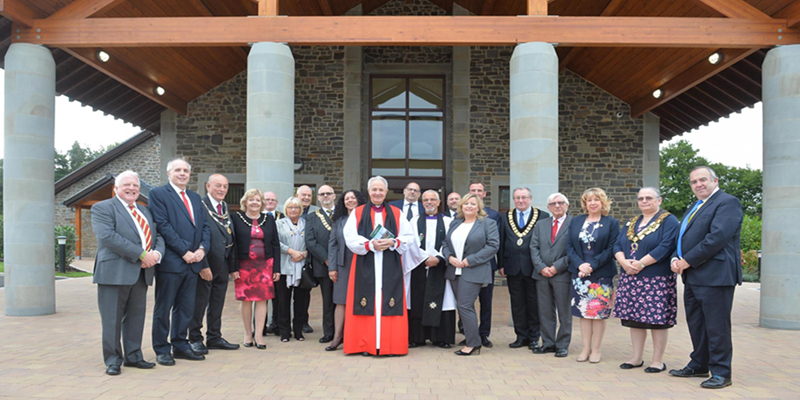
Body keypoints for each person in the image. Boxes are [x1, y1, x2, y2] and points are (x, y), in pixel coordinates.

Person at [669, 166, 743, 389]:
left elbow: (717, 237)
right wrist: (675, 257)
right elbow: (681, 236)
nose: (698, 184)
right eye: (694, 182)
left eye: (703, 180)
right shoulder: (695, 206)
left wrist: (687, 260)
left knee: (716, 325)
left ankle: (721, 372)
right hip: (693, 275)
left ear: (715, 180)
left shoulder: (727, 202)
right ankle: (699, 363)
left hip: (716, 275)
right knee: (697, 323)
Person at [91, 171, 164, 375]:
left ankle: (133, 356)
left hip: (141, 273)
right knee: (112, 319)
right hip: (114, 272)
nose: (132, 189)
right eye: (127, 185)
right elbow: (108, 237)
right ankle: (113, 360)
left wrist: (156, 254)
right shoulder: (103, 208)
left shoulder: (144, 211)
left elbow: (157, 235)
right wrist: (142, 255)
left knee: (135, 317)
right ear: (116, 188)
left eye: (135, 186)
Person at [343, 176, 422, 356]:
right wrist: (370, 245)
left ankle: (389, 345)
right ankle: (365, 344)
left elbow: (409, 237)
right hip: (365, 263)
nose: (377, 193)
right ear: (368, 191)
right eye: (374, 189)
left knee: (388, 301)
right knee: (366, 302)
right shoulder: (357, 212)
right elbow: (349, 237)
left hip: (390, 264)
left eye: (381, 190)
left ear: (386, 192)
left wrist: (393, 242)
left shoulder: (396, 213)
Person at [148, 158, 210, 365]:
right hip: (172, 263)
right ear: (169, 173)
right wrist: (184, 251)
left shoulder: (195, 197)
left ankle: (181, 345)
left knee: (185, 308)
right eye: (178, 170)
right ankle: (161, 348)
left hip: (193, 263)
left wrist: (201, 249)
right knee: (164, 308)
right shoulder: (158, 195)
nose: (182, 173)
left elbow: (205, 227)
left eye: (185, 171)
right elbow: (163, 226)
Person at [613, 187, 680, 373]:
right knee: (634, 319)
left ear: (659, 200)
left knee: (656, 320)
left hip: (655, 278)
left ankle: (658, 360)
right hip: (631, 277)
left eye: (649, 198)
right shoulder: (631, 222)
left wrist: (640, 264)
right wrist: (623, 262)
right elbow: (617, 244)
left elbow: (666, 246)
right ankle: (636, 357)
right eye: (641, 198)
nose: (644, 201)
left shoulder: (669, 220)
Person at [565, 187, 619, 364]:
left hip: (601, 273)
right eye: (589, 200)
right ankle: (585, 348)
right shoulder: (576, 221)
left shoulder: (611, 223)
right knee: (583, 312)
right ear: (585, 203)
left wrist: (591, 266)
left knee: (598, 313)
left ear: (603, 202)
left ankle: (596, 349)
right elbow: (569, 247)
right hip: (579, 273)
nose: (593, 203)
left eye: (597, 199)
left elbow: (611, 248)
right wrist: (580, 264)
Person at [442, 193, 500, 356]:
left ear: (478, 207)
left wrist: (471, 260)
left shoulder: (488, 223)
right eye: (466, 204)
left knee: (465, 306)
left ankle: (473, 343)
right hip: (455, 270)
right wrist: (450, 257)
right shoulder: (456, 223)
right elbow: (445, 243)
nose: (469, 206)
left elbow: (493, 246)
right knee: (464, 307)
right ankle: (472, 339)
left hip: (474, 270)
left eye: (473, 204)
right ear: (461, 206)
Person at [189, 174, 239, 354]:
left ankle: (214, 337)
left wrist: (233, 267)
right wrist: (203, 265)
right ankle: (194, 338)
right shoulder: (200, 206)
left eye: (225, 186)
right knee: (199, 304)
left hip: (222, 265)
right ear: (208, 186)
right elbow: (196, 237)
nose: (222, 190)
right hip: (206, 264)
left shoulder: (224, 206)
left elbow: (230, 236)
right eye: (218, 186)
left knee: (217, 304)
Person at [498, 187, 548, 349]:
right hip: (512, 266)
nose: (520, 200)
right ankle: (521, 336)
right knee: (517, 303)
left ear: (530, 199)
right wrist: (501, 264)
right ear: (513, 200)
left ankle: (534, 337)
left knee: (533, 303)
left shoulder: (542, 216)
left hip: (534, 267)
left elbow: (544, 244)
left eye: (524, 197)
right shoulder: (506, 217)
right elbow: (502, 242)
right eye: (517, 198)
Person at [229, 188, 280, 349]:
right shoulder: (236, 218)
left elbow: (275, 245)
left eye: (258, 200)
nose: (254, 203)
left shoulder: (269, 219)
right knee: (246, 301)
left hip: (265, 266)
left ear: (262, 203)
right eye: (251, 200)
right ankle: (247, 333)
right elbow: (233, 244)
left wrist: (276, 268)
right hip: (244, 266)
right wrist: (233, 267)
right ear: (245, 202)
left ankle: (259, 335)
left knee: (262, 300)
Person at [407, 190, 456, 349]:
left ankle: (441, 337)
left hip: (441, 266)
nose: (429, 202)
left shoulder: (449, 222)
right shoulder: (413, 222)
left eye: (432, 199)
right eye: (426, 200)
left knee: (444, 301)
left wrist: (439, 258)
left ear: (439, 202)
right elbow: (411, 243)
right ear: (422, 203)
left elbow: (451, 243)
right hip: (420, 266)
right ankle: (417, 337)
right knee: (417, 299)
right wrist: (425, 258)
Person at [530, 192, 572, 358]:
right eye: (553, 204)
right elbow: (533, 247)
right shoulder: (541, 224)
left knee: (564, 312)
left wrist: (556, 267)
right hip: (541, 275)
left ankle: (562, 344)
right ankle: (548, 343)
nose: (557, 206)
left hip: (562, 274)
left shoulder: (574, 223)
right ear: (548, 207)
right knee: (545, 311)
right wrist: (541, 267)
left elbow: (574, 250)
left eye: (561, 203)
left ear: (567, 205)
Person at [325, 189, 367, 351]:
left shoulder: (366, 218)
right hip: (343, 264)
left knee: (362, 301)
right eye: (347, 198)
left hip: (364, 264)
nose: (350, 201)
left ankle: (359, 338)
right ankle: (337, 338)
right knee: (340, 301)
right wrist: (332, 267)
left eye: (353, 198)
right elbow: (333, 244)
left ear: (359, 200)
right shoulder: (339, 220)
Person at [464, 181, 501, 348]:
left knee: (486, 302)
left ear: (484, 194)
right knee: (465, 301)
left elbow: (495, 243)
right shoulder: (462, 216)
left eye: (479, 191)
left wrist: (501, 264)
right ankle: (467, 333)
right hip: (464, 266)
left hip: (486, 265)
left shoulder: (493, 215)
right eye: (473, 190)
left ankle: (484, 334)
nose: (477, 193)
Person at [275, 197, 312, 342]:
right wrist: (291, 251)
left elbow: (311, 241)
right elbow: (275, 242)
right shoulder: (278, 224)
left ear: (300, 210)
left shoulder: (306, 223)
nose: (293, 210)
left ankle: (298, 330)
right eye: (290, 207)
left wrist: (303, 253)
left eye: (296, 207)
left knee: (301, 301)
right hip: (285, 266)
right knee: (283, 301)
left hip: (302, 267)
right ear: (286, 209)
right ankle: (284, 331)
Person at [305, 184, 337, 343]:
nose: (326, 196)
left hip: (344, 264)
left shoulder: (345, 214)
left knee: (343, 300)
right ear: (318, 197)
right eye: (322, 194)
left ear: (334, 196)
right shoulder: (312, 217)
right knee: (328, 301)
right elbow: (310, 241)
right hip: (324, 265)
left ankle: (344, 331)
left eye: (328, 193)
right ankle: (329, 332)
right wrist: (326, 259)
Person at [262, 190, 283, 336]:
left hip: (278, 260)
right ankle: (260, 326)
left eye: (273, 200)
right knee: (261, 296)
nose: (270, 202)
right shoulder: (257, 217)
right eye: (267, 199)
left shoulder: (283, 217)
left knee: (278, 295)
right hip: (261, 261)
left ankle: (276, 324)